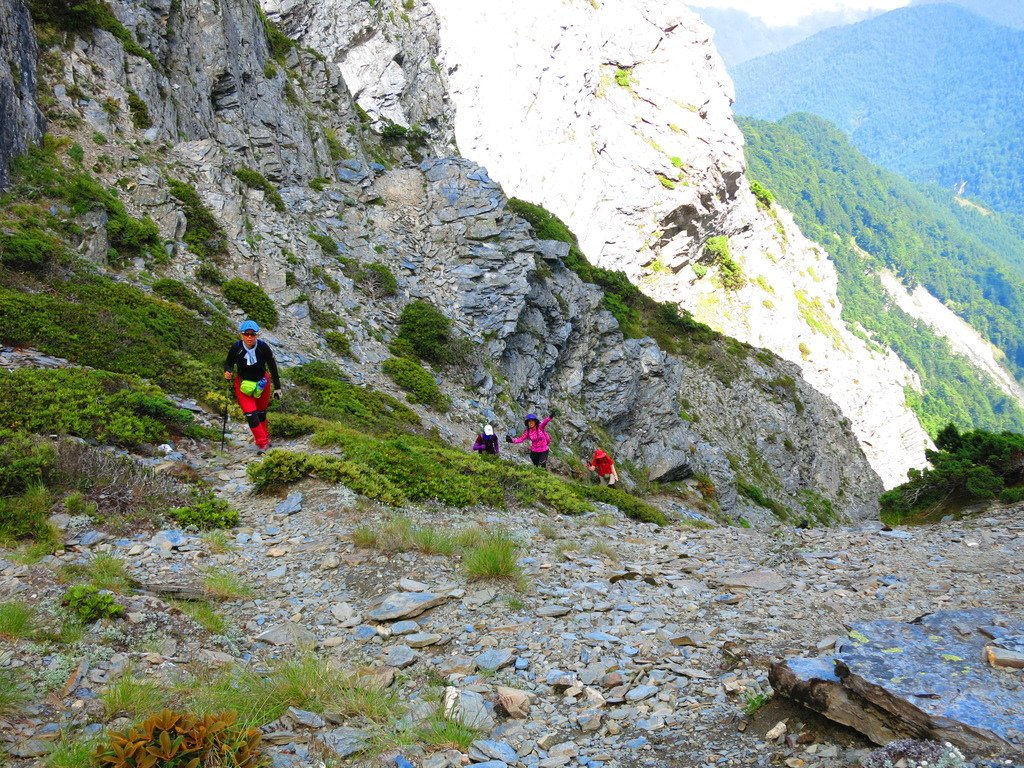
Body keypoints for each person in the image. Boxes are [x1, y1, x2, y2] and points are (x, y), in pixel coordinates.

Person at [224, 320, 281, 452]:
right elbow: (228, 363)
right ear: (241, 335)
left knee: (261, 413)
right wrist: (228, 371)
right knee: (251, 414)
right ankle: (262, 443)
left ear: (256, 335)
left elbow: (272, 367)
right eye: (246, 334)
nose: (249, 337)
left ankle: (264, 436)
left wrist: (277, 388)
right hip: (243, 385)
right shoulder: (236, 348)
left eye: (252, 334)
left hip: (262, 383)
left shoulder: (263, 347)